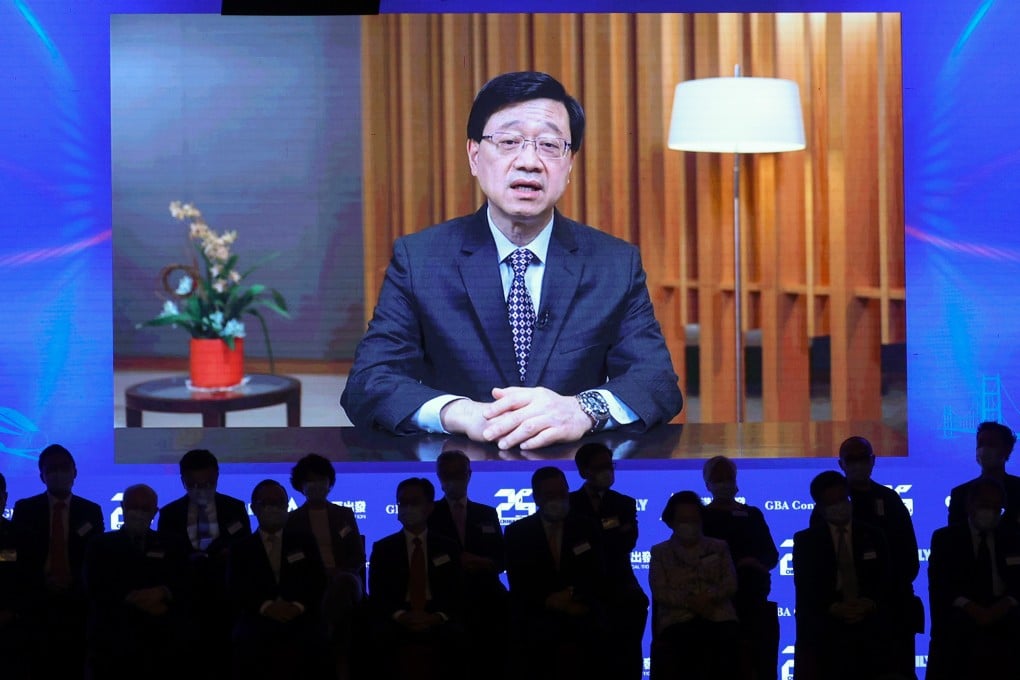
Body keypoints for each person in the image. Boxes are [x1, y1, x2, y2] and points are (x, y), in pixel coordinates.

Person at [340, 70, 683, 449]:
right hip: (461, 471)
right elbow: (369, 382)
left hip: (574, 472)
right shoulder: (421, 259)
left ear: (569, 165)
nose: (529, 161)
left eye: (550, 145)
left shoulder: (614, 263)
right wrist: (461, 413)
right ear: (474, 155)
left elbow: (656, 381)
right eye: (509, 141)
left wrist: (581, 410)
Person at [504, 465, 609, 680]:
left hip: (581, 606)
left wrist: (571, 595)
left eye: (562, 493)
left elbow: (597, 572)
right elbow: (519, 581)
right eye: (550, 495)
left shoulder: (586, 527)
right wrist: (550, 601)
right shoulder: (518, 532)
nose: (558, 499)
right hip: (537, 611)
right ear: (536, 497)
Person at [156, 448, 252, 680]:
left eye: (207, 484)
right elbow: (164, 557)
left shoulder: (235, 508)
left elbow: (246, 550)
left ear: (217, 477)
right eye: (194, 485)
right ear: (183, 481)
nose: (201, 490)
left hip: (224, 596)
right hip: (184, 598)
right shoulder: (170, 513)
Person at [12, 443, 105, 680]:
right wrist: (40, 581)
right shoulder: (25, 509)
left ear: (75, 472)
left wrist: (74, 581)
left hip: (77, 603)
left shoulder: (91, 511)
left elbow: (96, 558)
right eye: (51, 469)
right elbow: (14, 555)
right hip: (36, 601)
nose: (58, 473)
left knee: (74, 666)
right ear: (41, 475)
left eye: (64, 468)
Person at [833, 436, 922, 679]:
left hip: (890, 611)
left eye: (863, 458)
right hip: (845, 614)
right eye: (851, 459)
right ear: (840, 463)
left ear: (873, 461)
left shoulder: (890, 500)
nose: (858, 464)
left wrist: (876, 599)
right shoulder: (830, 503)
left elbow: (908, 560)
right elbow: (822, 562)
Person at [83, 484, 192, 680]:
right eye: (133, 507)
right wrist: (136, 599)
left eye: (145, 508)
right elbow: (96, 586)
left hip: (162, 643)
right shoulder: (100, 545)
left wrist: (163, 592)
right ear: (123, 508)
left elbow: (184, 583)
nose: (138, 513)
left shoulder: (173, 544)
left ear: (155, 512)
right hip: (113, 643)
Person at [793, 470, 894, 680]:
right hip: (827, 621)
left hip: (869, 617)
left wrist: (868, 602)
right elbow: (806, 587)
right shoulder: (806, 541)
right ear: (820, 508)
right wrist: (834, 607)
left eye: (842, 499)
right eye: (832, 503)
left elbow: (884, 579)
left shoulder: (873, 535)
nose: (839, 506)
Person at [227, 479, 329, 680]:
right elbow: (236, 587)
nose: (273, 508)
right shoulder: (241, 548)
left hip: (301, 614)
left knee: (313, 640)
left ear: (287, 506)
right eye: (266, 503)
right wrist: (266, 607)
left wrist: (297, 606)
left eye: (279, 503)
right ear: (255, 507)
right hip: (257, 616)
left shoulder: (304, 540)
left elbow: (317, 580)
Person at [368, 477, 465, 680]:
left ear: (429, 507)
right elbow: (378, 594)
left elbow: (456, 591)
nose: (407, 508)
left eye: (414, 502)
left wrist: (435, 617)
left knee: (460, 636)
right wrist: (402, 616)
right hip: (398, 613)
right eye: (402, 502)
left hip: (437, 612)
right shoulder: (383, 548)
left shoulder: (448, 547)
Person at [927, 476, 1020, 679]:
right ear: (970, 505)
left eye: (997, 507)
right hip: (960, 621)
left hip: (1006, 620)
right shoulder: (946, 539)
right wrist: (971, 607)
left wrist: (1005, 604)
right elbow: (941, 586)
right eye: (985, 505)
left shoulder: (1014, 538)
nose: (991, 512)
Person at [568, 442, 647, 680]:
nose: (607, 471)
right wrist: (606, 536)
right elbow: (573, 548)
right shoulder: (570, 503)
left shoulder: (624, 503)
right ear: (584, 472)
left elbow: (627, 542)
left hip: (619, 582)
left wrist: (592, 540)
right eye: (600, 467)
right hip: (583, 584)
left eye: (609, 465)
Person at [427, 449, 509, 678]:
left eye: (458, 474)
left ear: (469, 475)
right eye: (447, 475)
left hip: (486, 590)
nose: (453, 480)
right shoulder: (430, 514)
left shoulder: (487, 513)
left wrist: (485, 563)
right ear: (439, 477)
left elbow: (501, 559)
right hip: (445, 592)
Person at [286, 453, 366, 680]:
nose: (316, 485)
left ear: (329, 483)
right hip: (311, 582)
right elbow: (291, 560)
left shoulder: (344, 515)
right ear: (300, 485)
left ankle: (326, 632)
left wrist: (338, 571)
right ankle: (339, 661)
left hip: (346, 578)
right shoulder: (292, 520)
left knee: (341, 584)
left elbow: (358, 556)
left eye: (321, 479)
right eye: (310, 480)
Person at [700, 456, 779, 680]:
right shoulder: (701, 518)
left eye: (729, 477)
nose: (725, 482)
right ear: (708, 484)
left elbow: (771, 556)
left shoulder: (753, 514)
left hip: (753, 600)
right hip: (714, 604)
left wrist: (754, 563)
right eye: (719, 478)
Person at [648, 490, 739, 680]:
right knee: (686, 645)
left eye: (693, 519)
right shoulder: (660, 552)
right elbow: (660, 591)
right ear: (671, 522)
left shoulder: (719, 547)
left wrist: (708, 598)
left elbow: (730, 583)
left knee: (726, 644)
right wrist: (691, 602)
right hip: (677, 619)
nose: (689, 525)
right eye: (683, 520)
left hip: (718, 615)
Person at [947, 421, 1020, 527]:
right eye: (980, 444)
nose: (984, 449)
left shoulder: (1018, 489)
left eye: (991, 444)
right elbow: (954, 537)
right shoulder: (960, 494)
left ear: (1006, 450)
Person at [0, 472, 29, 680]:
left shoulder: (15, 534)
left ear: (5, 498)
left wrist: (11, 611)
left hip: (7, 623)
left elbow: (20, 576)